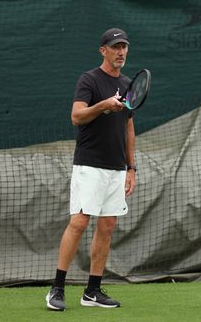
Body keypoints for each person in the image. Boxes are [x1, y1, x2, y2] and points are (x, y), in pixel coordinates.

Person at [46, 28, 137, 311]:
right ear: (103, 50)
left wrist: (131, 167)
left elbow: (129, 127)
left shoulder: (126, 83)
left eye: (124, 47)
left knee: (108, 225)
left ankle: (93, 291)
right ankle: (57, 288)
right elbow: (76, 116)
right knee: (80, 221)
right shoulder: (89, 79)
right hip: (89, 163)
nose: (121, 52)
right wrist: (103, 105)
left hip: (116, 167)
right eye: (115, 47)